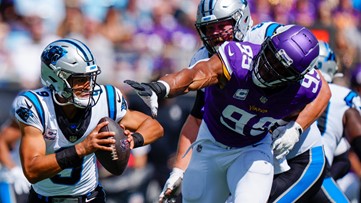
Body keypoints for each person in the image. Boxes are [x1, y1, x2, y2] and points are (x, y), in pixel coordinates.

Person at [150, 0, 330, 202]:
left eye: (222, 26)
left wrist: (297, 128)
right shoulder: (215, 58)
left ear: (242, 19)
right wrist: (179, 171)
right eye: (209, 28)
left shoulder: (267, 37)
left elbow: (321, 89)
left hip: (293, 152)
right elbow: (197, 118)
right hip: (245, 144)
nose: (216, 34)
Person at [13, 38, 164, 203]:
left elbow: (154, 126)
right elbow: (32, 170)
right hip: (44, 199)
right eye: (79, 79)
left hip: (90, 198)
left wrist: (132, 140)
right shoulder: (36, 105)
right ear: (55, 78)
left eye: (90, 78)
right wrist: (81, 149)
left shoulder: (105, 99)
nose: (88, 86)